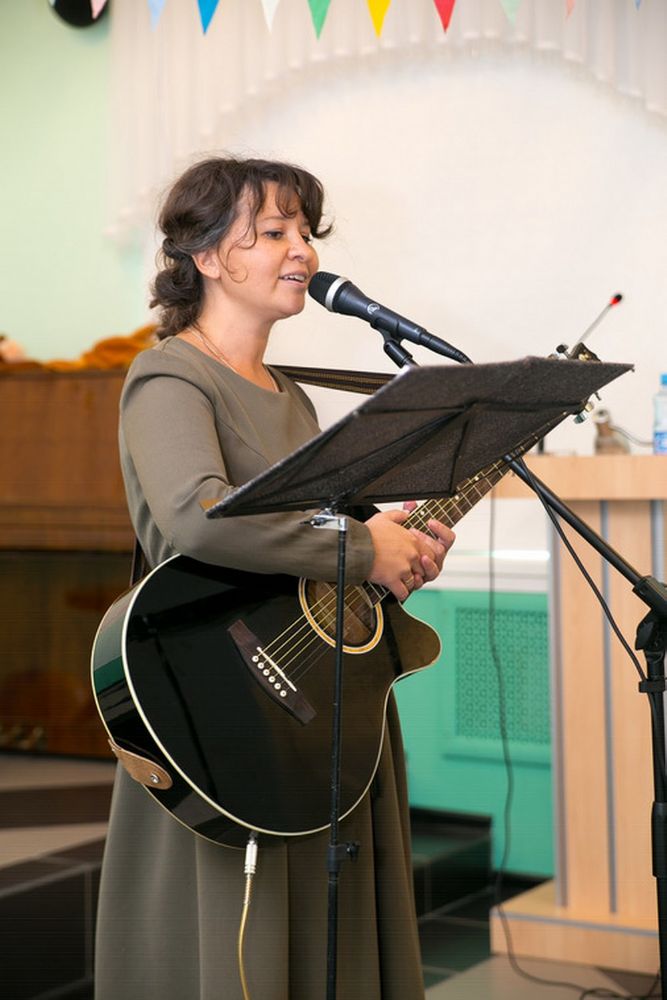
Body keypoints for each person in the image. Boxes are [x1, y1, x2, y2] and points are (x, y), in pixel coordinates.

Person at [94, 155, 455, 1000]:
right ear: (206, 257)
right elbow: (198, 517)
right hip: (214, 695)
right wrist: (362, 548)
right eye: (272, 232)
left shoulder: (291, 397)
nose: (302, 251)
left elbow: (304, 547)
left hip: (311, 691)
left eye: (304, 232)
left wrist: (393, 554)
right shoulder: (170, 375)